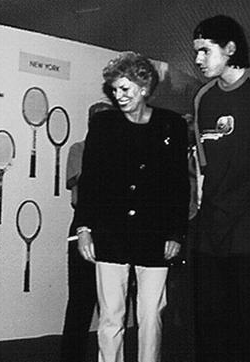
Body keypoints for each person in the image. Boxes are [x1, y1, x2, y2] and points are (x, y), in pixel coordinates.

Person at [75, 51, 189, 362]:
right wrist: (84, 229)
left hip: (155, 237)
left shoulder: (172, 125)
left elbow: (180, 183)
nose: (118, 96)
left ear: (144, 87)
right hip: (110, 235)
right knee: (111, 317)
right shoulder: (103, 123)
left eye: (125, 89)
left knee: (151, 316)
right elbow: (90, 181)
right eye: (114, 89)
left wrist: (176, 232)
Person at [192, 15, 250, 362]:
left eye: (206, 51)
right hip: (211, 228)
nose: (198, 60)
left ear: (231, 48)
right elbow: (203, 169)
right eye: (196, 52)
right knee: (211, 324)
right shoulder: (202, 99)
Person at [60, 100, 113, 362]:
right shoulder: (78, 149)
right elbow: (78, 180)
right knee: (80, 300)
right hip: (82, 228)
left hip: (112, 231)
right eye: (98, 119)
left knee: (113, 304)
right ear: (90, 122)